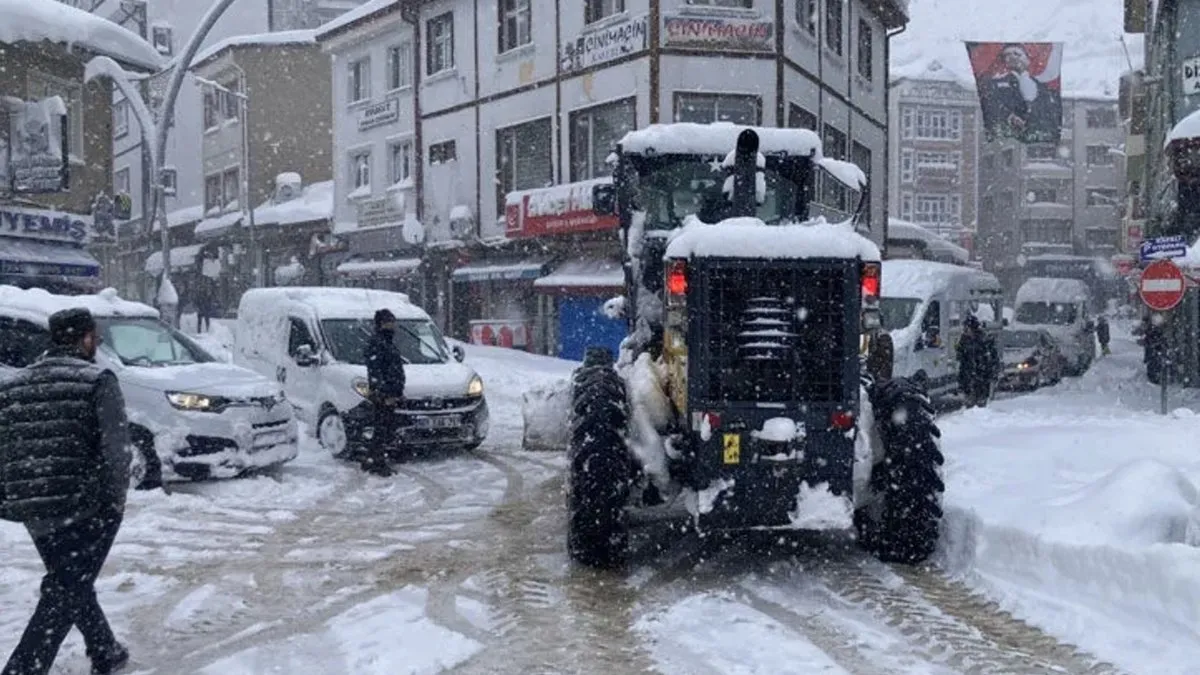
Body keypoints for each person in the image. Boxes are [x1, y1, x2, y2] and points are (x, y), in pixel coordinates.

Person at [0, 308, 131, 675]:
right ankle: (23, 669)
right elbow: (116, 451)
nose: (97, 345)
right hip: (86, 507)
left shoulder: (13, 385)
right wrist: (114, 501)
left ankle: (105, 650)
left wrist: (12, 498)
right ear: (85, 338)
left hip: (34, 506)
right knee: (65, 589)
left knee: (71, 580)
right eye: (95, 338)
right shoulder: (98, 380)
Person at [978, 43, 1062, 144]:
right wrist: (1009, 117)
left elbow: (1048, 111)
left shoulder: (1042, 86)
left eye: (1017, 54)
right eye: (1007, 55)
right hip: (1010, 138)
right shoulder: (993, 84)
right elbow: (991, 107)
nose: (1012, 57)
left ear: (1027, 59)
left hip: (1037, 137)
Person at [362, 309, 406, 477]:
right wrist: (382, 393)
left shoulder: (388, 342)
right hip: (383, 395)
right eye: (388, 322)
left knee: (386, 428)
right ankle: (377, 462)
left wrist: (397, 390)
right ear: (380, 324)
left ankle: (371, 459)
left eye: (393, 322)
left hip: (391, 392)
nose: (392, 325)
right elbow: (375, 371)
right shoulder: (377, 343)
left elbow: (394, 369)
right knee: (381, 429)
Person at [956, 314, 999, 408]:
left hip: (981, 377)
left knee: (980, 403)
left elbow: (992, 359)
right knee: (969, 404)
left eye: (967, 328)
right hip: (969, 377)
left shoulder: (984, 340)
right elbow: (961, 358)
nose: (965, 330)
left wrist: (992, 373)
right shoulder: (964, 340)